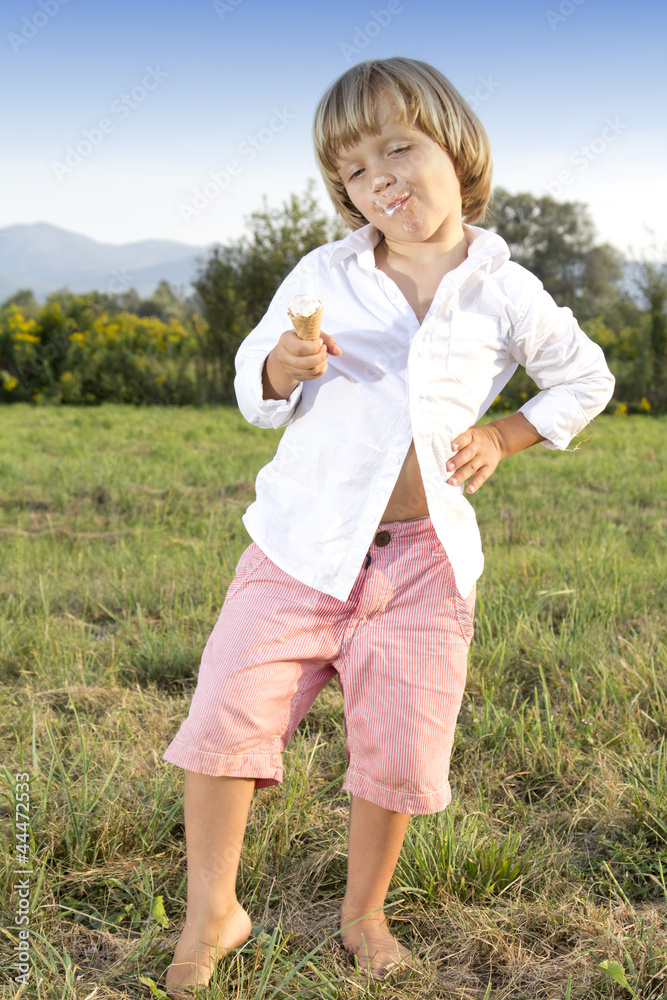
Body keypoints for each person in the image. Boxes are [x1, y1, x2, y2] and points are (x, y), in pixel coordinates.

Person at [162, 57, 615, 994]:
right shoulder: (324, 272)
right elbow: (252, 381)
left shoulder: (503, 287)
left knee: (399, 748)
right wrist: (283, 366)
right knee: (225, 717)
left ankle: (363, 913)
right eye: (356, 170)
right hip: (297, 550)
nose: (382, 179)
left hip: (423, 566)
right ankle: (214, 910)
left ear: (457, 149)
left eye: (398, 149)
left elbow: (585, 376)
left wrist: (507, 432)